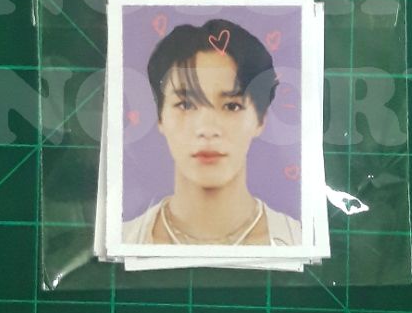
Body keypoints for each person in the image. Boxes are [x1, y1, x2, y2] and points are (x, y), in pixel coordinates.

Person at [122, 18, 302, 246]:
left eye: (231, 106)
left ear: (261, 119)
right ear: (160, 117)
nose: (207, 129)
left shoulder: (297, 241)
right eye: (186, 105)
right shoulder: (124, 241)